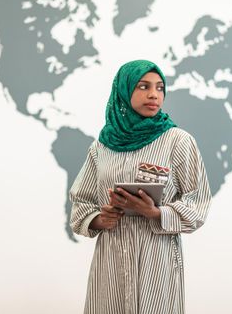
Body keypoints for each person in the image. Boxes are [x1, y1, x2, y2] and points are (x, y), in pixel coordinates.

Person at [69, 60, 212, 314]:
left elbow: (198, 202)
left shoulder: (178, 142)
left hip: (157, 259)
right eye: (143, 86)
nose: (153, 94)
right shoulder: (102, 146)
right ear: (123, 90)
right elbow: (81, 202)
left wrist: (156, 213)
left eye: (159, 87)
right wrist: (100, 219)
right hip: (111, 259)